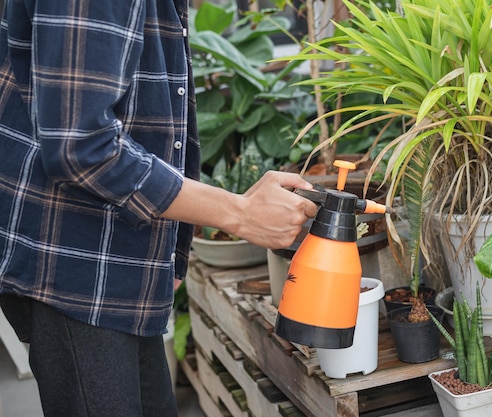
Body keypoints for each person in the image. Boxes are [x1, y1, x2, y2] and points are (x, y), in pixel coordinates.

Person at [0, 1, 318, 416]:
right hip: (73, 265)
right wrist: (239, 212)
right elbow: (81, 146)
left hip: (120, 255)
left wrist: (169, 252)